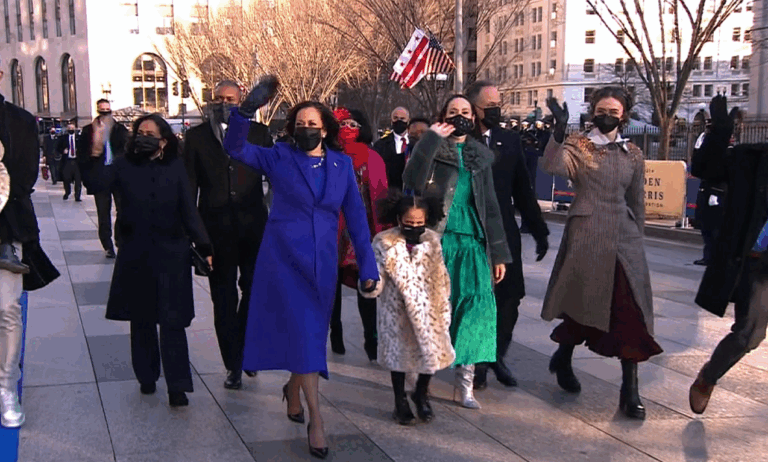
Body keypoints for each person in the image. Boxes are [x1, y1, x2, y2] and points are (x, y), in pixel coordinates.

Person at [222, 76, 378, 460]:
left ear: (326, 128)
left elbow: (357, 220)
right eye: (301, 124)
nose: (307, 129)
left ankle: (293, 388)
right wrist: (243, 113)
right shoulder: (278, 155)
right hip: (282, 260)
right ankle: (317, 418)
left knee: (309, 334)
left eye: (314, 124)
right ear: (293, 129)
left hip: (321, 264)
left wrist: (369, 267)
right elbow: (235, 147)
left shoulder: (342, 166)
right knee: (305, 335)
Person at [541, 89, 662, 420]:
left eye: (614, 109)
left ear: (623, 115)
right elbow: (553, 165)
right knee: (582, 303)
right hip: (587, 231)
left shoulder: (633, 153)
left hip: (624, 236)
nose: (607, 114)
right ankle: (563, 357)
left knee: (630, 309)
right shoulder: (580, 144)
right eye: (601, 109)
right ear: (593, 112)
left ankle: (630, 390)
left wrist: (639, 237)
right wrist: (558, 131)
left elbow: (636, 199)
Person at [84, 113, 212, 408]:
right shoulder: (123, 165)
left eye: (150, 133)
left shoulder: (176, 168)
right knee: (141, 319)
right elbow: (95, 183)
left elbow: (188, 210)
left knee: (172, 320)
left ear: (163, 141)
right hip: (135, 251)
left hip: (172, 252)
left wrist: (204, 245)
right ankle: (146, 376)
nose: (143, 136)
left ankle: (178, 385)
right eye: (140, 132)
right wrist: (95, 150)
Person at [403, 94, 512, 410]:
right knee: (433, 310)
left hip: (473, 243)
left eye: (465, 112)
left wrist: (499, 253)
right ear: (443, 116)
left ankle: (466, 384)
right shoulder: (433, 146)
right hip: (438, 239)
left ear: (474, 117)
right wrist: (432, 139)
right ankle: (419, 380)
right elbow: (411, 180)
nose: (460, 116)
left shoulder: (481, 155)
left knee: (476, 311)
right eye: (453, 112)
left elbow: (491, 206)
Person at [183, 80, 272, 390]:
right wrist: (196, 238)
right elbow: (189, 191)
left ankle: (246, 350)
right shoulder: (195, 137)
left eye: (231, 99)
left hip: (253, 228)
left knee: (253, 290)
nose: (224, 103)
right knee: (223, 299)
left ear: (241, 100)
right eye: (219, 98)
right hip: (215, 232)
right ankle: (233, 363)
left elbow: (273, 178)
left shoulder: (259, 134)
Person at [465, 80, 550, 390]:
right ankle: (478, 362)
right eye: (489, 106)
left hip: (505, 232)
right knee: (477, 300)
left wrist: (539, 230)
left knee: (510, 300)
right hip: (471, 233)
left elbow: (522, 190)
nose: (496, 110)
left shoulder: (509, 140)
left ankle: (496, 354)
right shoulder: (462, 141)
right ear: (474, 109)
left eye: (498, 104)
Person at [688, 95, 768, 414]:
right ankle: (708, 376)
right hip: (759, 262)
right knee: (749, 334)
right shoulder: (752, 159)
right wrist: (720, 132)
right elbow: (705, 168)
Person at [361, 190, 454, 425]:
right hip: (397, 312)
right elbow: (377, 276)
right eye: (409, 223)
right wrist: (370, 283)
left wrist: (444, 303)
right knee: (398, 359)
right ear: (399, 219)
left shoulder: (432, 241)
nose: (414, 227)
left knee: (430, 355)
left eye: (419, 223)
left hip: (430, 309)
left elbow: (441, 275)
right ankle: (399, 400)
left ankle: (421, 393)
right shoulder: (384, 242)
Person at [0, 81, 60, 428]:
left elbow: (23, 179)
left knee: (7, 310)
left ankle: (7, 387)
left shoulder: (20, 120)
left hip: (8, 225)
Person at [329, 107, 388, 360]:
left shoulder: (372, 157)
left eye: (354, 124)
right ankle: (335, 330)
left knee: (367, 282)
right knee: (331, 283)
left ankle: (370, 336)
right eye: (343, 124)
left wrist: (382, 230)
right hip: (333, 228)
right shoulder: (328, 156)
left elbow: (382, 193)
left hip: (363, 227)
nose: (348, 129)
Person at [79, 99, 130, 258]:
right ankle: (107, 244)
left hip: (119, 177)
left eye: (108, 110)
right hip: (100, 177)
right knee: (103, 213)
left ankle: (119, 239)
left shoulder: (120, 130)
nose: (105, 113)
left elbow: (127, 151)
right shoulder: (88, 131)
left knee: (122, 210)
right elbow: (82, 156)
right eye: (102, 110)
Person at [692, 120, 730, 266]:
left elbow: (723, 172)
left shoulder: (726, 148)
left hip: (718, 192)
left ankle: (715, 257)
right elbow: (697, 169)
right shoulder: (707, 147)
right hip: (706, 189)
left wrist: (716, 190)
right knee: (706, 226)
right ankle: (708, 256)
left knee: (715, 228)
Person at [373, 107, 410, 190]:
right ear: (391, 121)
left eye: (402, 118)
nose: (399, 121)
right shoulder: (380, 145)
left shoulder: (416, 143)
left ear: (408, 121)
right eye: (395, 118)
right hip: (389, 193)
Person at [58, 122, 82, 202]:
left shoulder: (79, 138)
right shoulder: (63, 138)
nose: (71, 130)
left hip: (76, 162)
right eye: (69, 128)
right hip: (67, 161)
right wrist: (63, 151)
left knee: (78, 180)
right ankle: (67, 192)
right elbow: (57, 148)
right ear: (67, 129)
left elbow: (85, 149)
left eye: (72, 128)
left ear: (75, 129)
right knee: (66, 179)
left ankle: (77, 196)